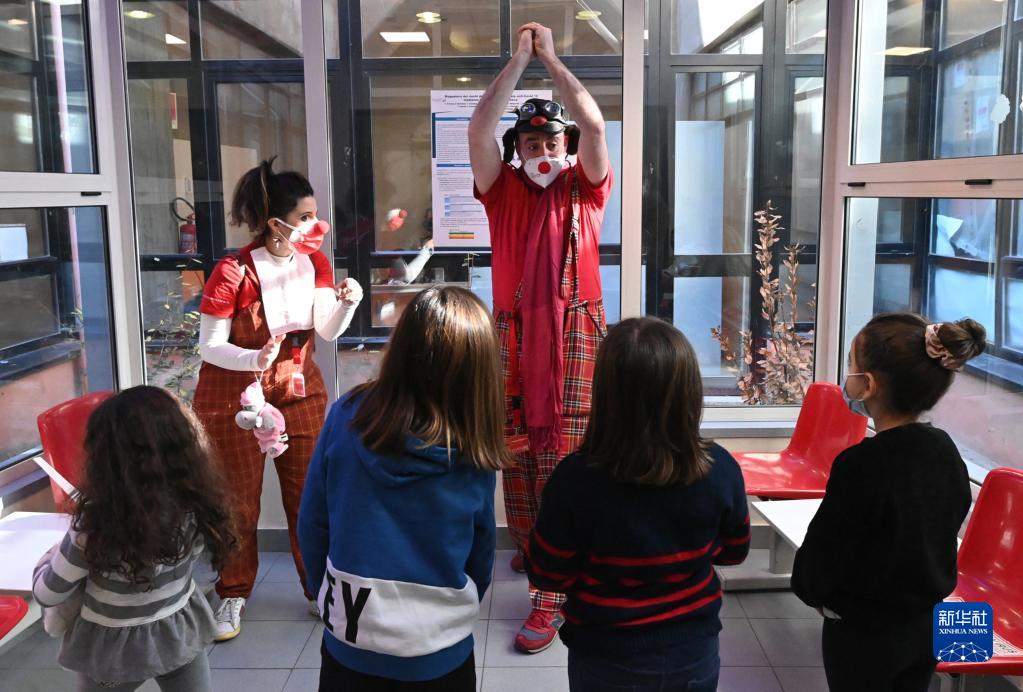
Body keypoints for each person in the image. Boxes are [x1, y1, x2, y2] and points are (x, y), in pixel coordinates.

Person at [468, 21, 614, 653]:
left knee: (563, 462)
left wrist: (551, 62)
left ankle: (552, 597)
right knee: (516, 454)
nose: (543, 149)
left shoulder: (587, 188)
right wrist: (516, 61)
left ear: (566, 144)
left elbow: (596, 126)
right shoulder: (502, 192)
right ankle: (534, 546)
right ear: (517, 149)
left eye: (552, 139)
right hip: (512, 333)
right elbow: (479, 129)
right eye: (531, 141)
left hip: (575, 331)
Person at [298, 286, 511, 691]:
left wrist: (328, 595)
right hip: (439, 654)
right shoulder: (473, 446)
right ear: (479, 371)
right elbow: (480, 554)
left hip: (350, 643)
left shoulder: (345, 417)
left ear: (401, 347)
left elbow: (312, 524)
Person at [525, 318, 750, 691]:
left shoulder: (574, 480)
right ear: (689, 392)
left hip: (606, 656)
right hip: (693, 652)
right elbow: (734, 552)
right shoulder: (720, 468)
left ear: (605, 394)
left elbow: (547, 573)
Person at [192, 157, 363, 641]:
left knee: (309, 499)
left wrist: (348, 304)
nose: (316, 225)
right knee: (238, 504)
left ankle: (317, 590)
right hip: (234, 399)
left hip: (298, 391)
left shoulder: (315, 264)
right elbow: (208, 346)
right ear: (274, 224)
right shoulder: (233, 272)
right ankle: (232, 592)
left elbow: (325, 331)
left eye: (315, 214)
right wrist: (255, 358)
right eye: (305, 217)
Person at [791, 313, 987, 692]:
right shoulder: (944, 450)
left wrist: (812, 592)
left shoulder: (861, 463)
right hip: (925, 625)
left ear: (869, 385)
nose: (847, 374)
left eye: (851, 364)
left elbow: (826, 549)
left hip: (864, 632)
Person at [32, 386, 237, 692]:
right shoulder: (198, 507)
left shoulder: (94, 526)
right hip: (178, 632)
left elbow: (47, 594)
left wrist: (49, 557)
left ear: (106, 459)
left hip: (113, 650)